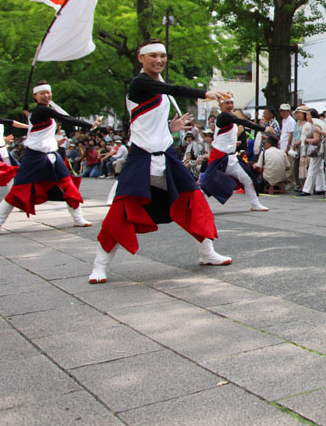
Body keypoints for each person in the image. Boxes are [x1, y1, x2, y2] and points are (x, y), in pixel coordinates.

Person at [90, 41, 232, 283]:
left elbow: (149, 122)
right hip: (141, 158)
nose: (159, 60)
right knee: (121, 212)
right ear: (140, 58)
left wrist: (171, 127)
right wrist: (204, 93)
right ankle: (99, 266)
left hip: (165, 156)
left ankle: (207, 253)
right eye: (153, 55)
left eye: (163, 56)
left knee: (194, 201)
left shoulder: (159, 85)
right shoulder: (139, 83)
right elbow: (175, 90)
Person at [0, 82, 101, 236]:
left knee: (68, 186)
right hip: (34, 157)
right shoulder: (41, 110)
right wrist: (89, 125)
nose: (47, 95)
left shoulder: (41, 112)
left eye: (48, 92)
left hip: (52, 155)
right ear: (35, 96)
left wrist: (55, 142)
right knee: (17, 190)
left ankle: (78, 218)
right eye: (42, 93)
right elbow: (62, 116)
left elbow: (43, 134)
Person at [199, 96, 270, 211]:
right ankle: (192, 204)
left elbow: (224, 136)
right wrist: (264, 129)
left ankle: (255, 203)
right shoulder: (224, 116)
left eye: (231, 103)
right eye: (227, 103)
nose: (230, 105)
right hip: (220, 158)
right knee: (207, 184)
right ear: (220, 106)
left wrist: (233, 144)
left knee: (247, 178)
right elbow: (243, 121)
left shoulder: (229, 118)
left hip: (231, 157)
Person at [302, 108, 326, 196]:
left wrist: (306, 140)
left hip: (316, 149)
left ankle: (307, 189)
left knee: (312, 168)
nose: (307, 117)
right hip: (321, 149)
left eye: (308, 115)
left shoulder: (315, 126)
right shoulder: (319, 124)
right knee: (319, 168)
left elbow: (316, 140)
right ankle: (321, 187)